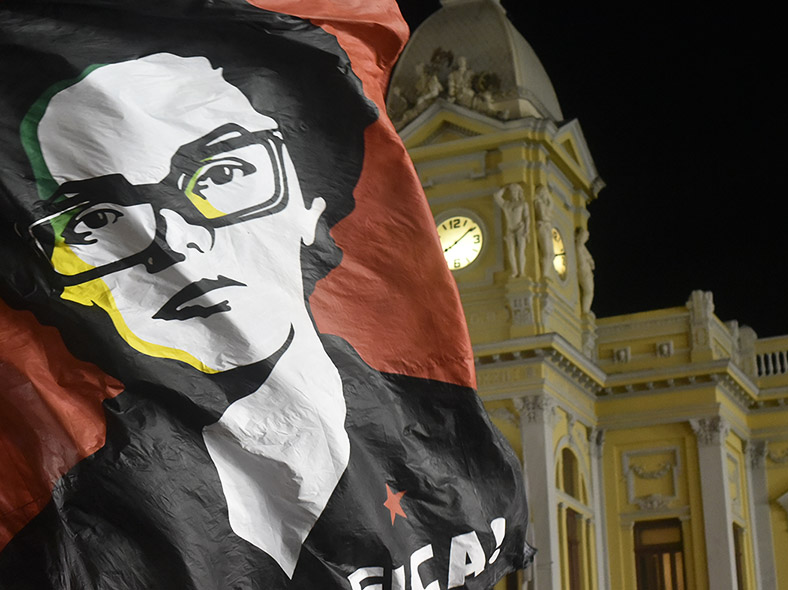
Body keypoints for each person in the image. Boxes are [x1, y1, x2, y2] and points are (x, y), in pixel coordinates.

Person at [0, 8, 529, 589]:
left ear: (307, 206)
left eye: (222, 174)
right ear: (66, 274)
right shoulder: (48, 521)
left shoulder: (431, 431)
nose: (175, 241)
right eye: (99, 219)